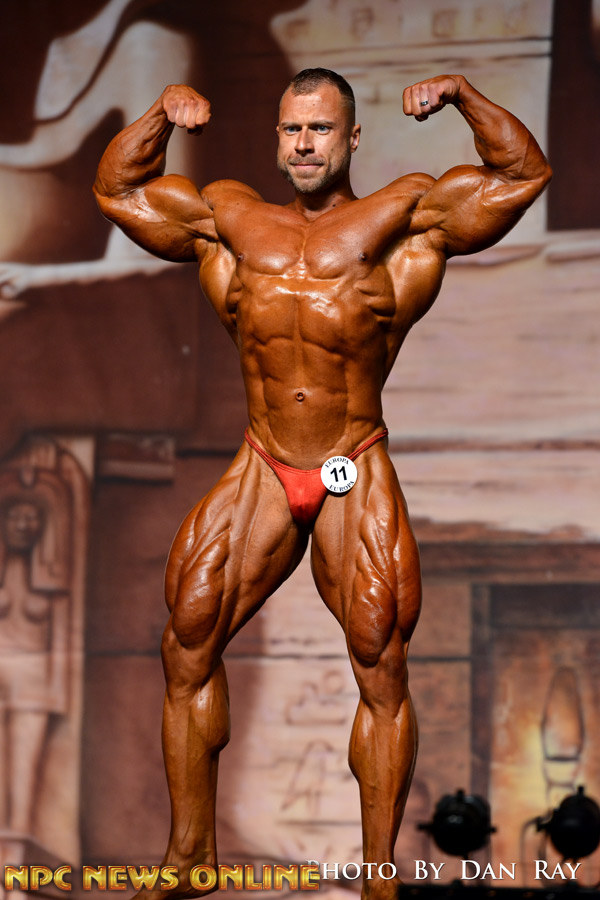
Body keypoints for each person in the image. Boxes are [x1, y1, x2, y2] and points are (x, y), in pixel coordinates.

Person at [94, 68, 551, 899]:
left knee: (379, 658)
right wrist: (161, 114)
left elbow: (522, 174)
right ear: (278, 138)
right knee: (187, 635)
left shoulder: (405, 218)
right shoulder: (230, 218)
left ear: (351, 139)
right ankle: (190, 856)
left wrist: (462, 94)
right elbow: (117, 190)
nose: (304, 144)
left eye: (320, 129)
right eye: (291, 129)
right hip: (264, 460)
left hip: (353, 459)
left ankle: (377, 877)